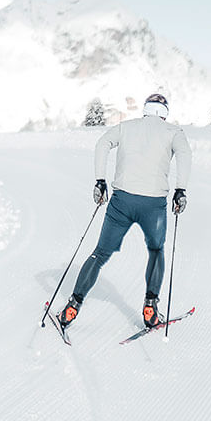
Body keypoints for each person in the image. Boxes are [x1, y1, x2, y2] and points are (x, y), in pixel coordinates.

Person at [57, 92, 191, 330]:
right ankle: (150, 307)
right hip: (154, 205)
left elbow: (102, 144)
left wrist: (100, 180)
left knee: (99, 254)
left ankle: (73, 305)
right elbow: (185, 155)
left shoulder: (126, 127)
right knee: (156, 249)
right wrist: (180, 190)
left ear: (145, 109)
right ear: (164, 113)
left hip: (122, 202)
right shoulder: (173, 132)